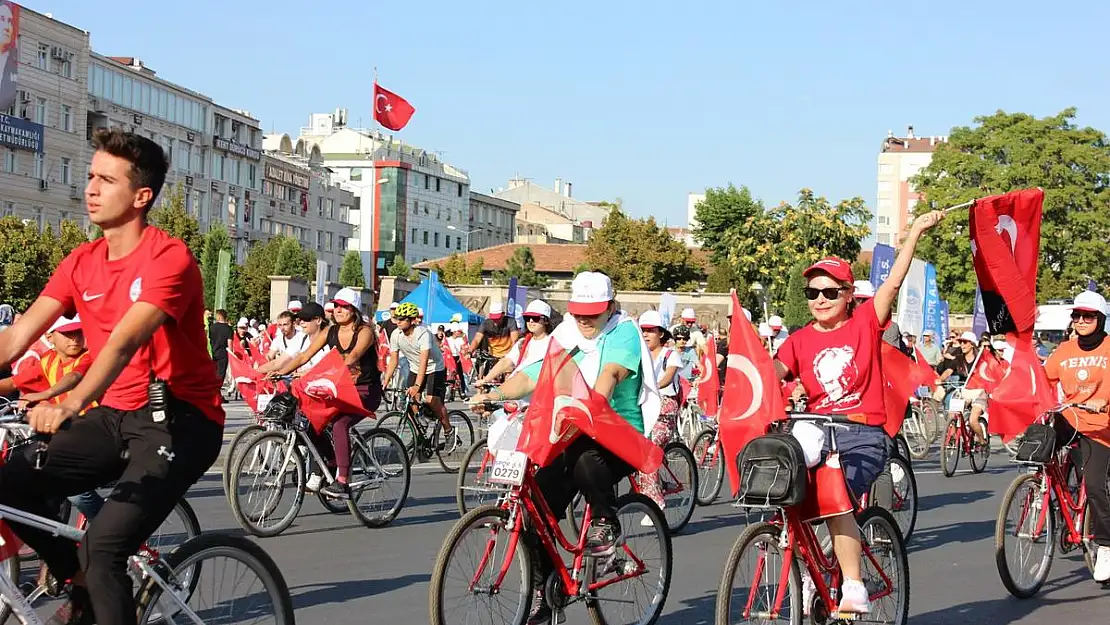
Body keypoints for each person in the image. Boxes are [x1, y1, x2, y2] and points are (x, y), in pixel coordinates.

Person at [0, 128, 224, 625]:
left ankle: (92, 579)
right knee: (9, 481)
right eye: (89, 176)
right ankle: (76, 583)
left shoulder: (170, 258)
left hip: (178, 422)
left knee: (104, 548)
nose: (91, 189)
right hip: (114, 416)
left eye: (106, 179)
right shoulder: (82, 261)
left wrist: (70, 402)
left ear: (141, 196)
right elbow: (16, 339)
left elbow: (124, 341)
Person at [774, 211, 942, 613]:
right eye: (813, 292)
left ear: (849, 294)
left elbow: (894, 282)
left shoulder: (866, 323)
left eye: (830, 292)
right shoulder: (797, 340)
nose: (819, 300)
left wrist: (914, 229)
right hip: (814, 433)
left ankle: (853, 584)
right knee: (783, 493)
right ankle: (812, 572)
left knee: (832, 494)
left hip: (862, 435)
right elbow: (769, 376)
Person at [469, 272, 660, 625]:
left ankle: (607, 523)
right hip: (572, 431)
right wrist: (493, 394)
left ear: (610, 307)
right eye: (579, 312)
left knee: (587, 460)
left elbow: (610, 375)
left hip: (618, 434)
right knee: (532, 512)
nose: (586, 320)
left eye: (594, 313)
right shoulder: (566, 334)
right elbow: (533, 374)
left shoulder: (624, 332)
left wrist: (593, 404)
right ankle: (543, 593)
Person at [269, 290, 381, 498]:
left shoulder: (364, 331)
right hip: (339, 390)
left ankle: (343, 483)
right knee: (310, 423)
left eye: (343, 306)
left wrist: (324, 371)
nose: (338, 310)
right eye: (335, 306)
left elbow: (353, 356)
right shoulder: (329, 331)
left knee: (340, 424)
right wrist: (280, 372)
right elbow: (304, 355)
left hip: (365, 392)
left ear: (353, 310)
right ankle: (330, 462)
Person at [1043, 290, 1110, 581]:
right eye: (1077, 315)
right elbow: (1045, 379)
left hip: (1100, 424)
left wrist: (1102, 400)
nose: (1081, 321)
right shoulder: (1064, 350)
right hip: (1069, 419)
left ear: (1101, 319)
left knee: (1094, 486)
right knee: (1036, 445)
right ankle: (1043, 495)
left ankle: (1106, 546)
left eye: (1088, 316)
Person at [633, 310, 683, 520]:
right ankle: (653, 482)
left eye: (650, 330)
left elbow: (668, 378)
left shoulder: (671, 355)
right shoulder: (637, 355)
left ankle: (655, 500)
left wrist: (651, 387)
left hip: (664, 410)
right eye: (642, 330)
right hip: (642, 406)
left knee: (648, 449)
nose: (645, 334)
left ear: (661, 333)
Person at [380, 302, 456, 439]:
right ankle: (420, 432)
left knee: (432, 400)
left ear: (412, 320)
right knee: (411, 400)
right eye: (397, 318)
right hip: (414, 368)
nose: (398, 321)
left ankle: (448, 430)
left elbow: (424, 362)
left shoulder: (423, 333)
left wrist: (416, 386)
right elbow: (393, 360)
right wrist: (385, 382)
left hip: (434, 367)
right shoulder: (396, 335)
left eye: (402, 319)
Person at [476, 301, 554, 387]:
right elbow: (506, 361)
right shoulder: (523, 342)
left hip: (540, 394)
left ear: (546, 320)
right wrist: (485, 380)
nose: (531, 321)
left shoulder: (552, 344)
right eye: (527, 318)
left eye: (535, 318)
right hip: (519, 396)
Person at [468, 302, 520, 379]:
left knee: (508, 377)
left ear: (503, 314)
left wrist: (514, 355)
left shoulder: (510, 322)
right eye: (493, 319)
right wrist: (470, 351)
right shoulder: (486, 323)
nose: (495, 321)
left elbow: (514, 340)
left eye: (498, 318)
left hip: (508, 355)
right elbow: (477, 339)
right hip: (493, 355)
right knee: (484, 379)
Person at [445, 323, 468, 395]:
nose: (460, 333)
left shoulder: (460, 339)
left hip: (457, 358)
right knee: (451, 375)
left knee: (460, 375)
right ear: (454, 331)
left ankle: (463, 391)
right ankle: (451, 393)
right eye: (459, 331)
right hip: (450, 359)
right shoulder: (448, 340)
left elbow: (464, 347)